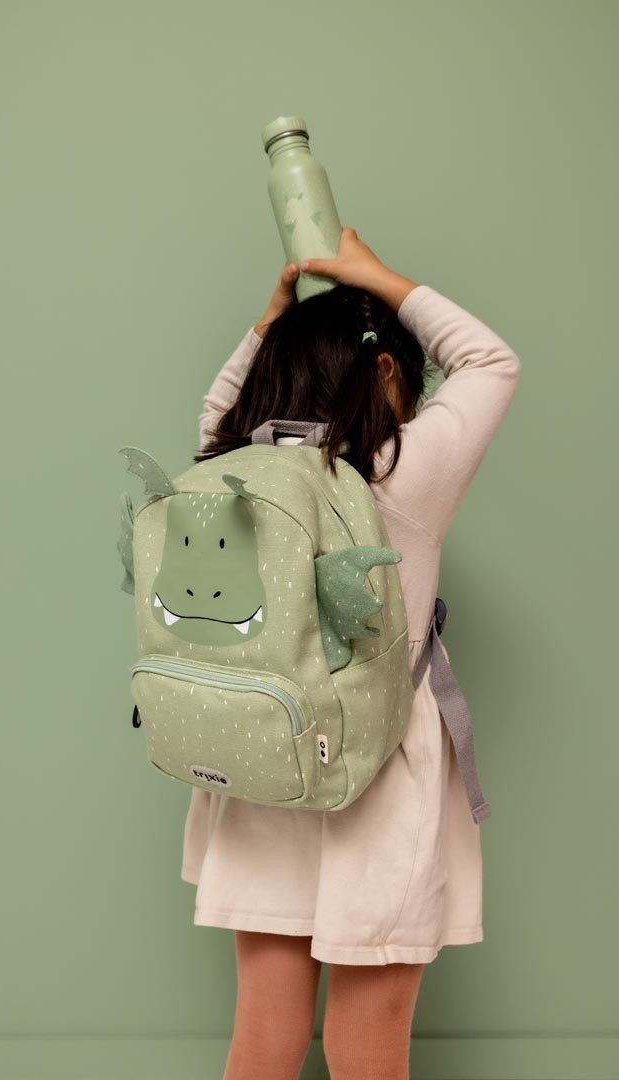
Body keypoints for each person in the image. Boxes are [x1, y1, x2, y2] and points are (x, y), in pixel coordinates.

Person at [181, 227, 522, 1080]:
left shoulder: (231, 471)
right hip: (373, 775)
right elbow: (490, 363)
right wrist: (376, 278)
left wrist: (267, 325)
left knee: (264, 1035)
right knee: (370, 1049)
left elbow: (214, 415)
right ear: (384, 371)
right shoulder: (397, 476)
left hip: (263, 766)